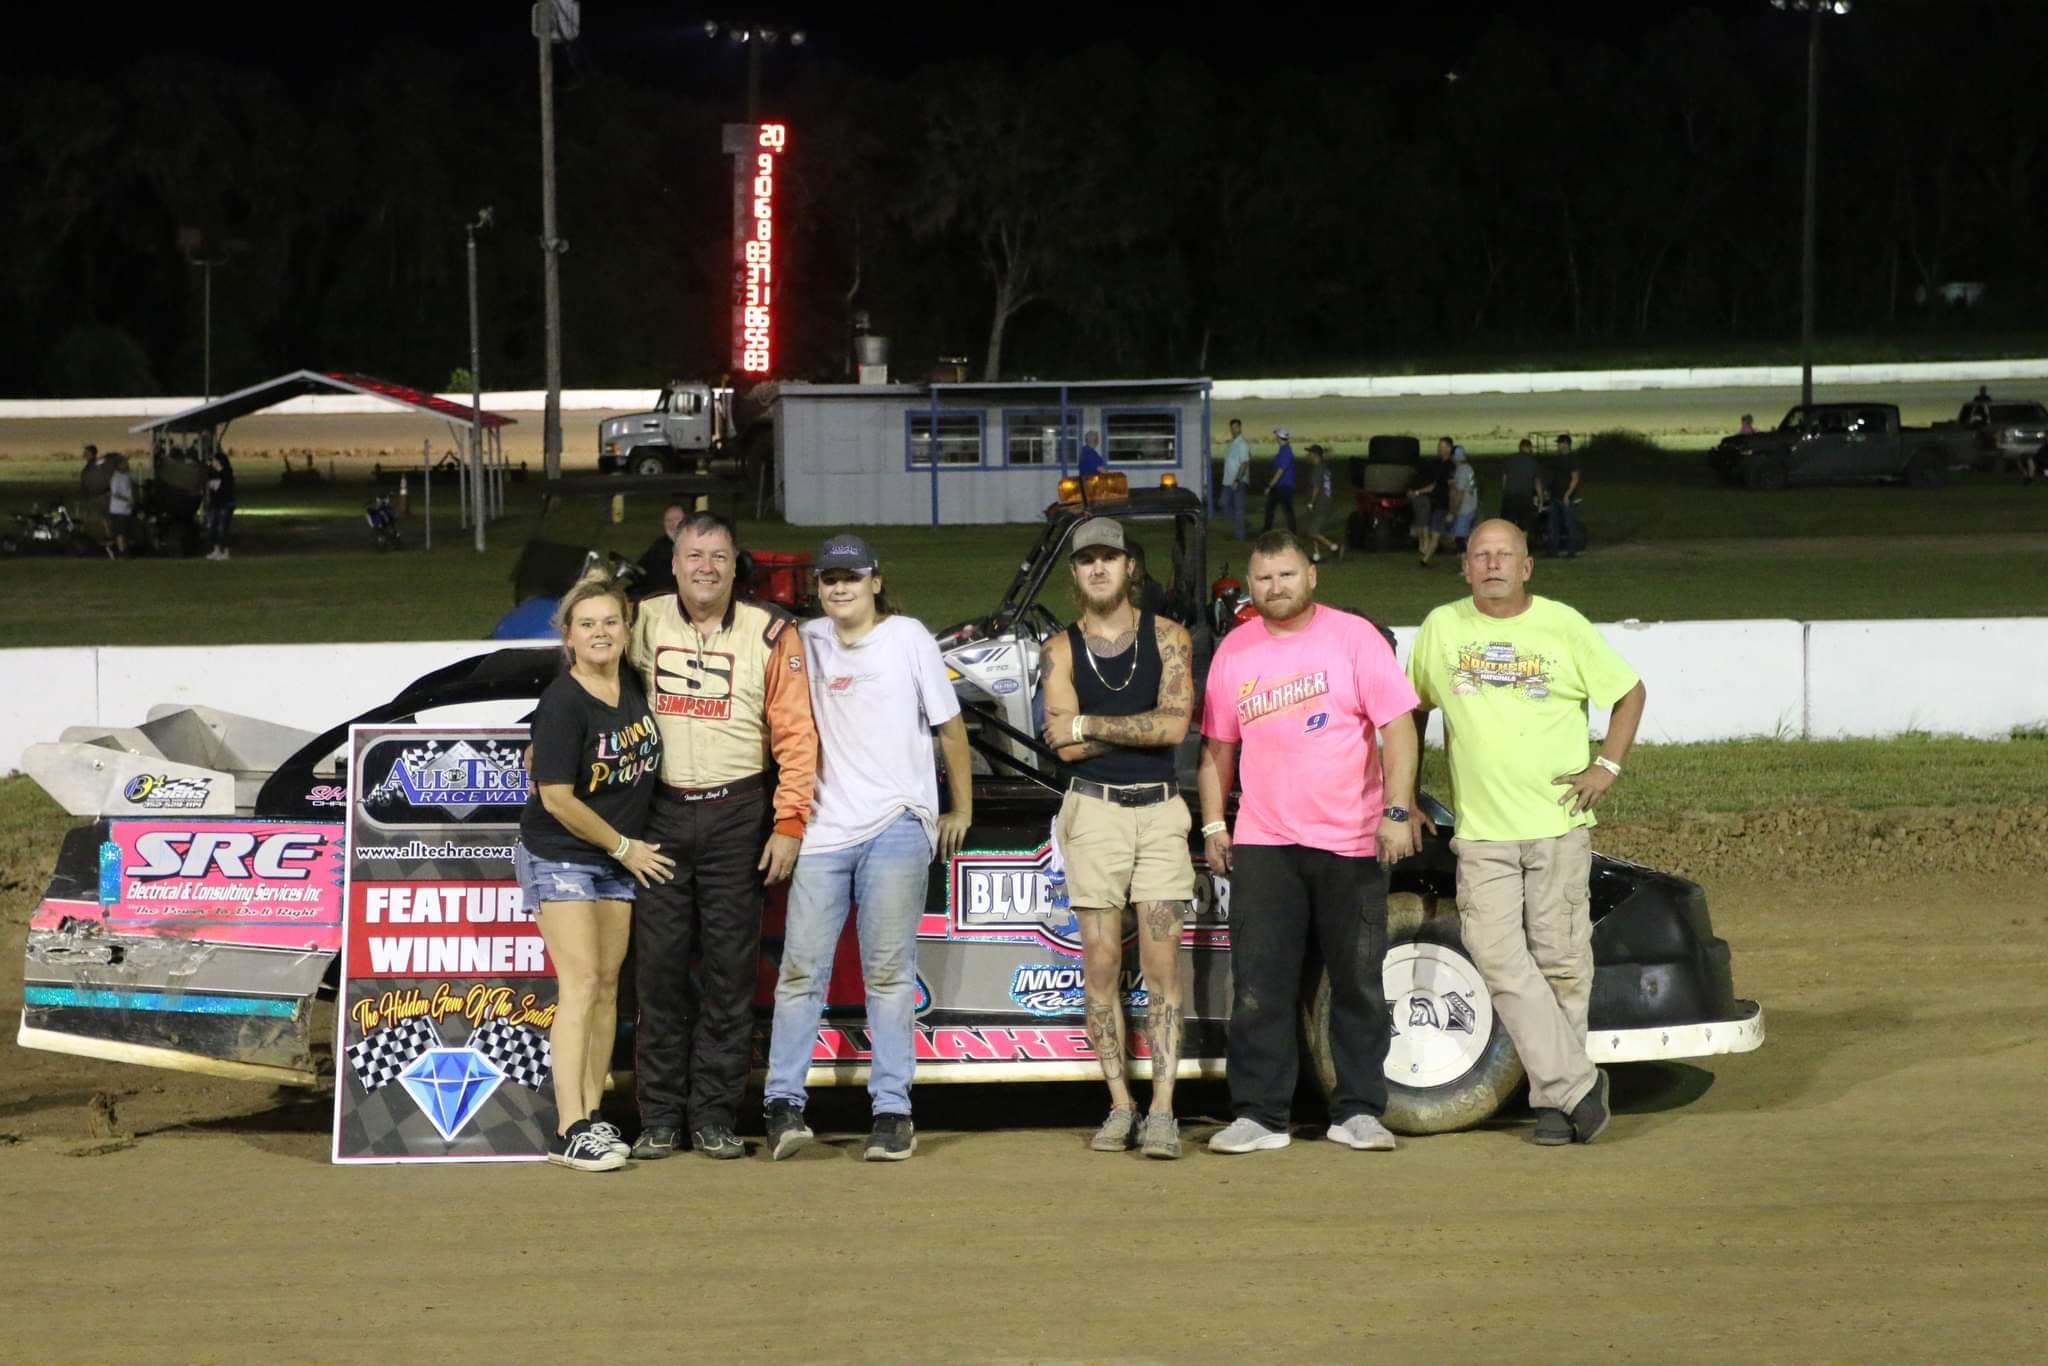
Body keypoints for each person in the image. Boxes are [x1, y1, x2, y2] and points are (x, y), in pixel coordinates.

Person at [1406, 519, 1647, 1146]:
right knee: (1495, 954)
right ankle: (1577, 1084)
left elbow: (1630, 693)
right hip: (1483, 832)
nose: (1492, 565)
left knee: (1562, 964)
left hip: (1557, 826)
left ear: (1527, 566)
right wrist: (1400, 794)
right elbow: (1408, 713)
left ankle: (1551, 1100)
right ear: (1465, 568)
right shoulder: (1442, 628)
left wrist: (1608, 765)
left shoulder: (1563, 625)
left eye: (1503, 555)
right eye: (1480, 556)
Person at [1198, 530, 1421, 1155]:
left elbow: (1398, 729)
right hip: (1265, 841)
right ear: (1251, 585)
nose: (1276, 588)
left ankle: (1357, 1110)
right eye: (1264, 579)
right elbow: (1217, 749)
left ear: (1311, 576)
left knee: (1356, 982)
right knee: (1259, 983)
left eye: (1287, 575)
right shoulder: (1234, 652)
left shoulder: (1354, 639)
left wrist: (1397, 810)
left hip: (1351, 839)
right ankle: (1261, 1116)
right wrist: (1215, 823)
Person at [763, 534, 972, 1164]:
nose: (839, 588)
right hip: (824, 830)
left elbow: (950, 727)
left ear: (875, 581)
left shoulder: (908, 637)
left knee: (887, 974)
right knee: (800, 971)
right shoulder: (805, 640)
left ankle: (892, 1111)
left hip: (895, 826)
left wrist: (960, 808)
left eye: (851, 577)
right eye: (829, 579)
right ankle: (783, 1105)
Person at [627, 512, 819, 1161]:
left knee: (732, 976)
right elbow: (585, 659)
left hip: (740, 813)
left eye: (718, 555)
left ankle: (712, 1115)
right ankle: (656, 1116)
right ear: (674, 563)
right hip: (660, 815)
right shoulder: (640, 620)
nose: (705, 566)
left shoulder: (772, 632)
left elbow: (797, 735)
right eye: (693, 555)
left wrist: (789, 822)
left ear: (736, 567)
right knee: (656, 974)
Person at [1037, 517, 1198, 1159]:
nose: (1098, 569)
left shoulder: (1170, 638)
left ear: (1131, 566)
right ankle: (1119, 1106)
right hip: (1094, 812)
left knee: (1161, 966)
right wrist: (1129, 726)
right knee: (1100, 963)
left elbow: (1173, 729)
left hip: (1159, 811)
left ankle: (1163, 1112)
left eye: (1110, 557)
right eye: (1086, 561)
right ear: (1075, 573)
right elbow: (1063, 746)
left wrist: (1091, 724)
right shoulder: (1059, 649)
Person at [516, 573, 673, 1172]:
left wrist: (621, 851)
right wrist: (625, 847)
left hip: (612, 857)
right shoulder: (563, 701)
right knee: (580, 984)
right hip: (563, 853)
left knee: (608, 987)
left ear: (626, 629)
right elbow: (556, 797)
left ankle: (593, 1115)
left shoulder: (630, 684)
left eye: (610, 621)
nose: (601, 632)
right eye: (588, 624)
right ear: (568, 637)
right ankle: (568, 1127)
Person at [634, 501, 689, 596]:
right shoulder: (659, 544)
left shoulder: (696, 544)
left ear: (686, 521)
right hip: (655, 594)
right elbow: (641, 569)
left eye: (676, 519)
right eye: (668, 520)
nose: (671, 524)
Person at [1412, 437, 1451, 568]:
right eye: (1439, 446)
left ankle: (1425, 558)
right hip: (1437, 503)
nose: (1440, 449)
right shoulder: (1440, 465)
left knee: (1435, 533)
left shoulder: (1449, 467)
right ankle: (1425, 558)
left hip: (1442, 504)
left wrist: (1418, 492)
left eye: (1443, 446)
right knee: (1434, 532)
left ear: (1449, 448)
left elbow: (1440, 486)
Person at [1301, 443, 1343, 563]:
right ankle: (1316, 555)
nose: (1308, 455)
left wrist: (1311, 502)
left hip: (1320, 503)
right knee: (1312, 528)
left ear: (1315, 455)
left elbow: (1316, 488)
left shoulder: (1317, 469)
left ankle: (1334, 547)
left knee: (1313, 531)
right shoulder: (1324, 468)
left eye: (1309, 453)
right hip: (1325, 501)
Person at [1546, 433, 1583, 558]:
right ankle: (1553, 549)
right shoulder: (1556, 459)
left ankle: (1571, 549)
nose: (1558, 445)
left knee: (1569, 523)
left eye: (1560, 443)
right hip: (1554, 495)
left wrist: (1568, 494)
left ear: (1566, 444)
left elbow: (1575, 478)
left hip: (1566, 497)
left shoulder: (1573, 459)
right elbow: (1552, 476)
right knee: (1554, 524)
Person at [1220, 418, 1251, 541]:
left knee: (1239, 508)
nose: (1234, 429)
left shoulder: (1242, 443)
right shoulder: (1232, 443)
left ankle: (1240, 535)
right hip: (1227, 481)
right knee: (1223, 503)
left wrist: (1238, 480)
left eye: (1236, 427)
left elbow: (1244, 463)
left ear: (1240, 428)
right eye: (1232, 427)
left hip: (1238, 480)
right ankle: (1243, 523)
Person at [1500, 438, 1540, 534]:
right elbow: (1537, 482)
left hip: (1510, 497)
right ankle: (1522, 547)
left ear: (1520, 447)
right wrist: (1540, 498)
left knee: (1508, 526)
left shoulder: (1510, 460)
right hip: (1525, 498)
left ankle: (1509, 547)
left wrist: (1505, 492)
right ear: (1530, 448)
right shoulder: (1533, 462)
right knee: (1524, 527)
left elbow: (1504, 479)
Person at [1262, 429, 1297, 532]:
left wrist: (1269, 486)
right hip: (1281, 486)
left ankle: (1292, 533)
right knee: (1271, 509)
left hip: (1284, 486)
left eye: (1276, 436)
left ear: (1279, 438)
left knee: (1286, 511)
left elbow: (1280, 471)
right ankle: (1266, 530)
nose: (1275, 438)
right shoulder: (1283, 450)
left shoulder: (1285, 451)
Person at [204, 449, 237, 561]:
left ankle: (225, 551)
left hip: (225, 504)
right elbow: (211, 486)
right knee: (212, 528)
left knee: (222, 528)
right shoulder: (212, 472)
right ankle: (216, 550)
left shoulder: (227, 473)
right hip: (215, 504)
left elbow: (221, 488)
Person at [1448, 444, 1479, 551]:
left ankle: (1467, 565)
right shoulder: (1469, 467)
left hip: (1464, 508)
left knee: (1460, 540)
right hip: (1472, 505)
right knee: (1467, 538)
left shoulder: (1461, 471)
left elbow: (1460, 493)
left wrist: (1453, 512)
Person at [106, 455, 134, 560]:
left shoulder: (126, 475)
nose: (127, 464)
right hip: (118, 509)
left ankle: (122, 550)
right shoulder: (116, 477)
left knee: (125, 531)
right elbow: (115, 493)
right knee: (120, 532)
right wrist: (128, 500)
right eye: (125, 462)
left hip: (126, 509)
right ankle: (122, 552)